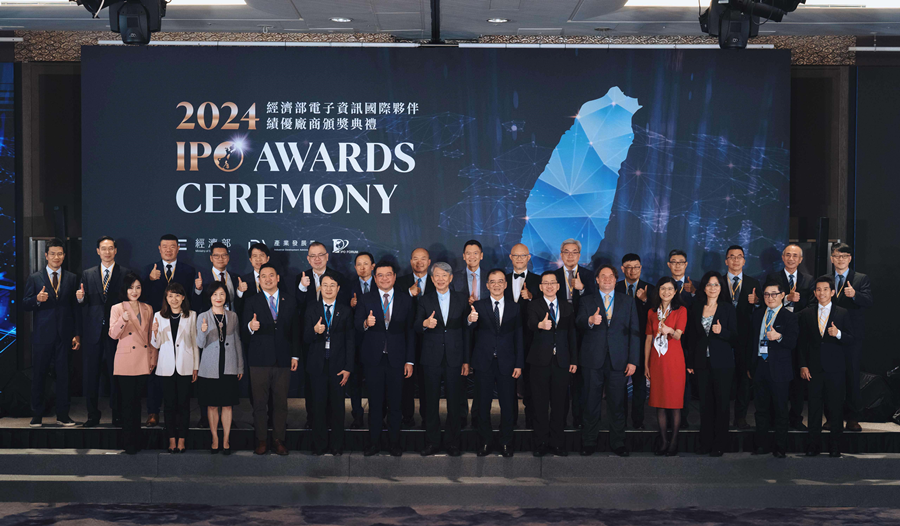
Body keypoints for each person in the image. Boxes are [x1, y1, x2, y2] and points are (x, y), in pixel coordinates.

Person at [576, 265, 640, 457]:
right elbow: (578, 322)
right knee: (591, 402)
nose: (606, 279)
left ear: (615, 279)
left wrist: (633, 360)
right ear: (596, 280)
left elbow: (635, 332)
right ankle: (589, 442)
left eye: (610, 276)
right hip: (592, 360)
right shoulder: (587, 300)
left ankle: (618, 443)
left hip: (618, 361)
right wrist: (589, 320)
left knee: (617, 404)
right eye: (602, 276)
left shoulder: (627, 301)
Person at [356, 261, 415, 456]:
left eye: (388, 274)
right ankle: (374, 443)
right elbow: (356, 326)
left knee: (395, 404)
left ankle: (394, 443)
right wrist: (366, 323)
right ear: (375, 278)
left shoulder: (406, 299)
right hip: (373, 359)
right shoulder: (366, 299)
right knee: (374, 404)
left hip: (397, 359)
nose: (384, 278)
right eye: (380, 275)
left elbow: (410, 332)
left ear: (394, 276)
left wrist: (409, 361)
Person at [243, 263, 300, 456]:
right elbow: (243, 331)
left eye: (271, 275)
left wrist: (295, 355)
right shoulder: (251, 301)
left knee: (280, 404)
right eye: (263, 276)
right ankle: (261, 440)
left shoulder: (290, 300)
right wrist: (250, 327)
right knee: (259, 404)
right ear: (259, 280)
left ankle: (278, 440)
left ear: (278, 278)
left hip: (283, 359)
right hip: (259, 361)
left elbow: (295, 331)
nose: (267, 279)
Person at [23, 238, 81, 427]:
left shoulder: (72, 278)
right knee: (39, 375)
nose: (57, 257)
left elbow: (75, 308)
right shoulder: (35, 278)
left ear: (64, 256)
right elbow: (25, 304)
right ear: (46, 256)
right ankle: (37, 415)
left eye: (60, 254)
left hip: (65, 335)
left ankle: (63, 415)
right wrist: (37, 299)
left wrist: (76, 333)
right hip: (42, 335)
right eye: (53, 254)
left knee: (64, 376)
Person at [415, 262, 470, 456]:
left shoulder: (461, 299)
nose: (440, 279)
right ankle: (432, 442)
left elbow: (466, 331)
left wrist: (466, 360)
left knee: (454, 402)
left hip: (455, 357)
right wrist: (425, 323)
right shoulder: (425, 300)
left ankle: (453, 443)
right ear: (432, 279)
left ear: (451, 278)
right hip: (431, 358)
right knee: (431, 402)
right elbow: (415, 325)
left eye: (444, 275)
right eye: (437, 275)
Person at [141, 234, 196, 428]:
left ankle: (178, 416)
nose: (168, 250)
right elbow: (139, 294)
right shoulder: (149, 270)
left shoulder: (188, 271)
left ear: (178, 248)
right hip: (156, 323)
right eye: (165, 246)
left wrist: (198, 290)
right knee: (154, 368)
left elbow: (191, 299)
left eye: (172, 246)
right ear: (159, 248)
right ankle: (153, 412)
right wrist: (149, 280)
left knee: (178, 370)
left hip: (180, 323)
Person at [468, 269, 524, 457]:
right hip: (483, 362)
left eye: (500, 281)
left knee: (507, 405)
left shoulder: (515, 307)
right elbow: (470, 332)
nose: (497, 285)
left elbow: (519, 337)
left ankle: (506, 442)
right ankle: (485, 441)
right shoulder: (478, 306)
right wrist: (470, 320)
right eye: (493, 281)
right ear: (487, 285)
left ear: (505, 284)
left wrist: (519, 364)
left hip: (507, 363)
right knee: (483, 405)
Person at [799, 276, 853, 457]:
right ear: (814, 293)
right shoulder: (807, 313)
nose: (821, 293)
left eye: (825, 289)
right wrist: (803, 365)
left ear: (832, 292)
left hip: (835, 369)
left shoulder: (843, 313)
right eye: (818, 290)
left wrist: (838, 334)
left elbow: (851, 339)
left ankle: (835, 446)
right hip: (813, 369)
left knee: (835, 408)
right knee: (814, 408)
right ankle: (813, 445)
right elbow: (802, 343)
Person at [78, 236, 129, 428]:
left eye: (110, 248)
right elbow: (83, 303)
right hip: (93, 331)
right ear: (98, 251)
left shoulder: (126, 273)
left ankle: (117, 414)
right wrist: (80, 298)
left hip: (116, 331)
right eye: (103, 249)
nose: (107, 252)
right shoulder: (88, 274)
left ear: (115, 250)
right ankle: (92, 415)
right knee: (91, 376)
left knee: (116, 375)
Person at [685, 271, 737, 456]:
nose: (712, 288)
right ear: (704, 288)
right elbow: (691, 337)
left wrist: (722, 332)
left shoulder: (727, 308)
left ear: (721, 288)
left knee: (722, 404)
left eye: (716, 285)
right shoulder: (696, 307)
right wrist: (690, 361)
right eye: (709, 284)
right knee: (705, 405)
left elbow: (735, 337)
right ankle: (705, 443)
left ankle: (719, 444)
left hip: (723, 364)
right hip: (701, 363)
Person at [746, 281, 798, 458]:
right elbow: (751, 341)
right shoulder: (757, 314)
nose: (770, 298)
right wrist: (750, 365)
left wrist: (779, 337)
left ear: (782, 295)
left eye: (774, 294)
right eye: (767, 294)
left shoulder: (789, 316)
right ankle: (761, 445)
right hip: (760, 366)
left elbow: (793, 343)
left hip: (779, 369)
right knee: (760, 409)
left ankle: (780, 447)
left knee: (780, 409)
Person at [296, 241, 345, 429]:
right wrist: (302, 288)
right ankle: (313, 420)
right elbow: (295, 306)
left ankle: (331, 421)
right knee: (312, 385)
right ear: (308, 259)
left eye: (320, 255)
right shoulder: (300, 278)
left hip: (335, 341)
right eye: (313, 256)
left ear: (327, 256)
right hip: (311, 339)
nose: (317, 259)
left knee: (334, 388)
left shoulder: (339, 277)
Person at [303, 275, 354, 456]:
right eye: (325, 285)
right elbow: (304, 338)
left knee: (338, 407)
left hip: (338, 366)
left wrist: (348, 367)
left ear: (338, 288)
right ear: (320, 288)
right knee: (318, 407)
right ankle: (319, 445)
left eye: (332, 285)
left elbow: (350, 341)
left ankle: (337, 445)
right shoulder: (312, 309)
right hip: (317, 365)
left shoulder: (345, 310)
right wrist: (314, 331)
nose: (329, 289)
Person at [528, 271, 577, 457]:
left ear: (558, 286)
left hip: (562, 361)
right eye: (545, 283)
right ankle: (540, 443)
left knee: (560, 404)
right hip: (539, 361)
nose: (549, 286)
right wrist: (540, 325)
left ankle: (557, 443)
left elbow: (572, 334)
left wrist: (574, 360)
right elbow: (530, 323)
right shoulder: (534, 305)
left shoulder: (567, 306)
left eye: (552, 283)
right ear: (540, 287)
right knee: (539, 404)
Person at [766, 243, 814, 431]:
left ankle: (796, 418)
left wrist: (795, 317)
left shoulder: (809, 280)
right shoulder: (773, 277)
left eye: (795, 256)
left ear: (800, 259)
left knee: (798, 379)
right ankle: (775, 418)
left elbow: (812, 306)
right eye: (788, 255)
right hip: (776, 331)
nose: (791, 258)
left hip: (800, 333)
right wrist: (786, 299)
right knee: (776, 377)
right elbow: (768, 301)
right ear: (782, 257)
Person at [109, 273, 156, 454]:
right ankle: (128, 443)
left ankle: (137, 440)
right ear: (125, 289)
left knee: (138, 404)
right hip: (126, 360)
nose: (134, 291)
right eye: (131, 288)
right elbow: (113, 335)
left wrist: (153, 358)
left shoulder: (148, 308)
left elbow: (151, 336)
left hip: (143, 360)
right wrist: (123, 319)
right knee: (127, 404)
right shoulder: (117, 308)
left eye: (138, 287)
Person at [150, 282, 199, 453]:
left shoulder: (191, 315)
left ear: (183, 297)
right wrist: (155, 332)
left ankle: (182, 440)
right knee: (169, 405)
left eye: (177, 295)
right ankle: (171, 439)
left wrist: (196, 367)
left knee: (184, 405)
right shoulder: (158, 315)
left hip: (185, 366)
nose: (174, 299)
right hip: (166, 367)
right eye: (170, 296)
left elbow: (195, 343)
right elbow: (155, 344)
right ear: (166, 298)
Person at [197, 282, 244, 454]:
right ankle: (215, 438)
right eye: (215, 294)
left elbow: (237, 341)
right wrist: (203, 331)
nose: (218, 298)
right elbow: (199, 344)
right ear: (210, 297)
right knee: (211, 406)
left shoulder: (233, 316)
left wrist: (240, 366)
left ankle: (226, 440)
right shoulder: (203, 316)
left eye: (222, 294)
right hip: (210, 367)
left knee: (227, 405)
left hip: (229, 365)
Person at [554, 238, 595, 429]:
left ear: (579, 255)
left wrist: (582, 289)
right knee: (560, 382)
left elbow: (595, 302)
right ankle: (559, 422)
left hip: (583, 335)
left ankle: (579, 421)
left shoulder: (589, 275)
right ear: (561, 254)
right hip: (559, 334)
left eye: (574, 252)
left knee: (580, 382)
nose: (570, 255)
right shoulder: (552, 276)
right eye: (566, 252)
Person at [831, 243, 873, 432]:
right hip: (830, 333)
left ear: (849, 258)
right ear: (831, 258)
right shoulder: (826, 279)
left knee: (852, 376)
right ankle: (832, 417)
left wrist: (855, 294)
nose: (840, 259)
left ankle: (853, 418)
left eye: (844, 256)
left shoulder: (860, 278)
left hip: (853, 335)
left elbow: (869, 301)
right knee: (831, 377)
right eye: (837, 256)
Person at [645, 276, 687, 456]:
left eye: (670, 289)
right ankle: (663, 440)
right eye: (663, 288)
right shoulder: (652, 312)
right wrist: (646, 364)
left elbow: (678, 336)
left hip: (674, 361)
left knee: (674, 403)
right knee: (659, 403)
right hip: (657, 360)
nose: (666, 292)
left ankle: (674, 441)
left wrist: (669, 330)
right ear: (658, 291)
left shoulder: (681, 310)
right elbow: (648, 339)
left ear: (675, 291)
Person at [721, 244, 761, 431]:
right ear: (726, 261)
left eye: (739, 257)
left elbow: (762, 311)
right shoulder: (718, 282)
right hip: (722, 337)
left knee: (744, 380)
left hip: (745, 339)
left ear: (744, 261)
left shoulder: (754, 283)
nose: (736, 260)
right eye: (732, 256)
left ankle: (740, 417)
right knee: (722, 380)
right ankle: (721, 417)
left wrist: (757, 302)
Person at [451, 240, 490, 430]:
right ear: (463, 256)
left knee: (482, 377)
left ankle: (478, 416)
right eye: (468, 253)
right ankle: (460, 415)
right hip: (460, 332)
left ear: (481, 256)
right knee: (461, 375)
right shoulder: (454, 278)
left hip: (485, 332)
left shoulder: (491, 277)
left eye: (476, 253)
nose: (472, 256)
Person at [615, 253, 655, 429]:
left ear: (641, 268)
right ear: (622, 269)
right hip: (618, 344)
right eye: (629, 267)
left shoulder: (651, 289)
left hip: (641, 343)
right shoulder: (614, 287)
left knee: (639, 385)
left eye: (636, 267)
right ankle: (620, 421)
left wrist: (645, 300)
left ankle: (638, 421)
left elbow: (657, 315)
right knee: (619, 386)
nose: (633, 270)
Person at [397, 247, 433, 428]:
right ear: (410, 261)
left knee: (428, 381)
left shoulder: (437, 281)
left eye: (423, 258)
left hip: (430, 339)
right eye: (415, 258)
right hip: (404, 338)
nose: (419, 262)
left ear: (429, 262)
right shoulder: (400, 282)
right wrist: (409, 294)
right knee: (407, 379)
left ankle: (428, 417)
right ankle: (407, 416)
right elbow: (393, 304)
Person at [506, 243, 540, 429]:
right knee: (507, 383)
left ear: (529, 257)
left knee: (531, 383)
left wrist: (532, 297)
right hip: (506, 340)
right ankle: (509, 422)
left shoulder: (539, 280)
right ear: (510, 257)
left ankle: (531, 423)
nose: (519, 259)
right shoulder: (501, 280)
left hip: (531, 341)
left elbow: (546, 306)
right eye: (516, 255)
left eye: (523, 255)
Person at [666, 249, 695, 429]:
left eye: (681, 262)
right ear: (669, 265)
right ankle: (668, 419)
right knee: (668, 381)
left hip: (689, 341)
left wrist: (694, 293)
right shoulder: (662, 286)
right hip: (668, 342)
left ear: (686, 264)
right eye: (674, 262)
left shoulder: (695, 287)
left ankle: (682, 419)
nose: (677, 265)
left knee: (685, 382)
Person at [346, 252, 375, 429]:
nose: (362, 267)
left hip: (377, 342)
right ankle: (357, 415)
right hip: (355, 342)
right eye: (358, 264)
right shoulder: (348, 286)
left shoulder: (381, 283)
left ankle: (377, 416)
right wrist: (350, 306)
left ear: (373, 266)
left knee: (376, 382)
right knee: (355, 381)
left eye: (366, 264)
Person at [194, 242, 239, 313]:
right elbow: (195, 303)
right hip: (210, 317)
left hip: (231, 317)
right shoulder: (202, 278)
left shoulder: (236, 278)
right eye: (216, 256)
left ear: (228, 258)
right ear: (211, 258)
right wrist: (198, 289)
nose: (220, 258)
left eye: (224, 255)